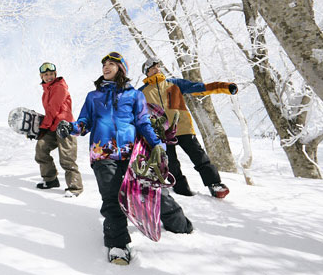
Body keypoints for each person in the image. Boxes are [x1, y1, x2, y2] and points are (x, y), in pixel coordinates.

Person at [57, 52, 192, 265]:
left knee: (152, 190)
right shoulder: (94, 97)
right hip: (103, 154)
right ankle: (118, 244)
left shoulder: (134, 96)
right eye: (104, 65)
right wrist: (71, 128)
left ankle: (180, 225)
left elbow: (143, 123)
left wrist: (157, 145)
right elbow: (84, 122)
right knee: (112, 198)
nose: (106, 67)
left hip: (134, 154)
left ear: (122, 69)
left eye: (111, 64)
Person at [139, 57, 238, 198]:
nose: (156, 69)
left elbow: (200, 88)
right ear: (146, 72)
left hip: (183, 129)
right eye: (152, 68)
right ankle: (180, 189)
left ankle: (215, 184)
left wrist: (224, 86)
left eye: (157, 67)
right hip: (162, 134)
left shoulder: (174, 84)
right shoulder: (142, 92)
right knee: (170, 164)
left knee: (200, 157)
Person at [34, 62, 83, 198]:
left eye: (51, 74)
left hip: (64, 126)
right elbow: (49, 112)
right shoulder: (46, 92)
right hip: (53, 127)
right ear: (41, 76)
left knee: (67, 158)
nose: (49, 77)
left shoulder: (60, 87)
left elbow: (54, 110)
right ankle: (50, 180)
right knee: (41, 149)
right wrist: (41, 130)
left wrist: (42, 128)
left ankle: (75, 187)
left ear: (55, 75)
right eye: (46, 74)